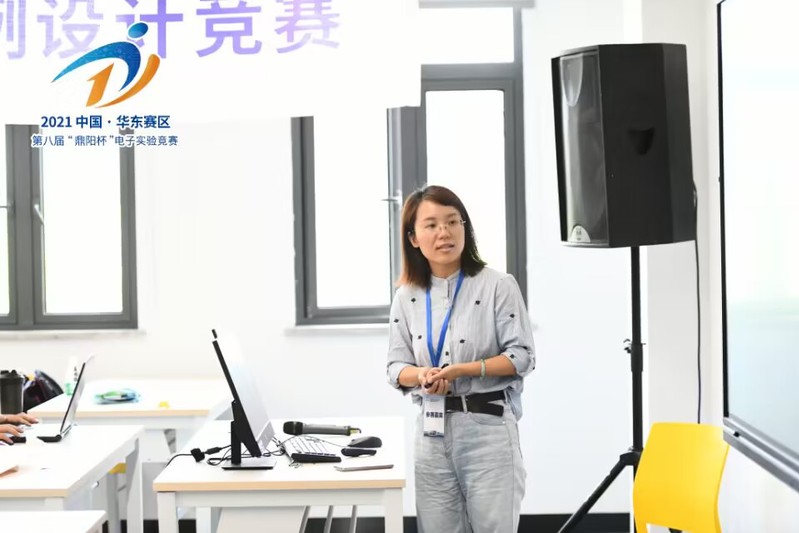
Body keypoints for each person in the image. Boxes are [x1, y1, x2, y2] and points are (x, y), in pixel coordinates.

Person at [386, 185, 535, 533]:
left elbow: (522, 356)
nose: (445, 232)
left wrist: (462, 370)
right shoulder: (406, 296)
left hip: (489, 430)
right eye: (432, 225)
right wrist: (423, 375)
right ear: (413, 238)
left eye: (453, 221)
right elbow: (395, 368)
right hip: (431, 434)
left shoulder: (498, 285)